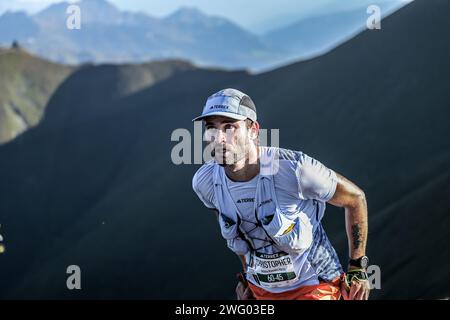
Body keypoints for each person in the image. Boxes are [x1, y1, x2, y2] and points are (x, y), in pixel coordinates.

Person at [192, 88, 370, 300]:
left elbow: (355, 198)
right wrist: (248, 278)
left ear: (253, 130)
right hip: (262, 293)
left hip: (316, 287)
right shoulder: (205, 182)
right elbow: (237, 231)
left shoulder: (293, 169)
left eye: (230, 127)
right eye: (212, 128)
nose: (219, 138)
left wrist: (357, 266)